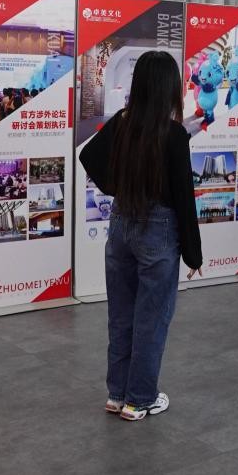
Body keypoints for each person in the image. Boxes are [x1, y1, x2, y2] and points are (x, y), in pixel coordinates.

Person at [80, 50, 203, 421]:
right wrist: (193, 254)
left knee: (121, 315)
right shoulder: (174, 134)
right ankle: (140, 399)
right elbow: (183, 197)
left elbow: (89, 157)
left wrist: (116, 187)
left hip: (121, 226)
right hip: (159, 232)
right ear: (168, 88)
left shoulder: (123, 122)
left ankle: (117, 395)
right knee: (152, 318)